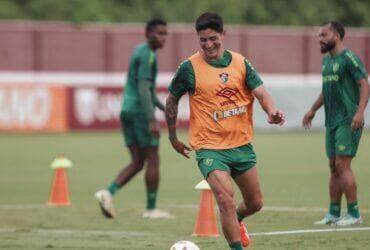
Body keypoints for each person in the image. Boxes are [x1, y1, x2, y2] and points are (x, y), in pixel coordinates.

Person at [165, 12, 285, 250]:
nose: (208, 45)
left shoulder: (241, 63)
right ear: (197, 39)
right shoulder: (189, 68)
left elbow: (261, 93)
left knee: (255, 203)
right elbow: (171, 100)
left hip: (241, 144)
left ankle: (239, 220)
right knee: (225, 199)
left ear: (223, 34)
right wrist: (172, 137)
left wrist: (272, 111)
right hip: (209, 146)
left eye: (213, 38)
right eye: (203, 40)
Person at [95, 18, 172, 219]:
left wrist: (163, 108)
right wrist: (152, 120)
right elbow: (144, 89)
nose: (163, 37)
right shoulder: (148, 55)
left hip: (127, 110)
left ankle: (108, 192)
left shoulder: (140, 51)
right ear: (148, 34)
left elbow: (147, 89)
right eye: (159, 33)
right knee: (153, 157)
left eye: (165, 34)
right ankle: (152, 209)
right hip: (139, 113)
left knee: (138, 161)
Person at [302, 21, 369, 226]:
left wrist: (360, 112)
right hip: (331, 121)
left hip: (348, 120)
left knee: (342, 164)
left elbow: (365, 85)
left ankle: (355, 214)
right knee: (333, 166)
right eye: (318, 35)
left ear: (336, 36)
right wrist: (313, 110)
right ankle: (333, 213)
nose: (319, 39)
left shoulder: (349, 58)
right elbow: (326, 90)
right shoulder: (327, 62)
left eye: (323, 34)